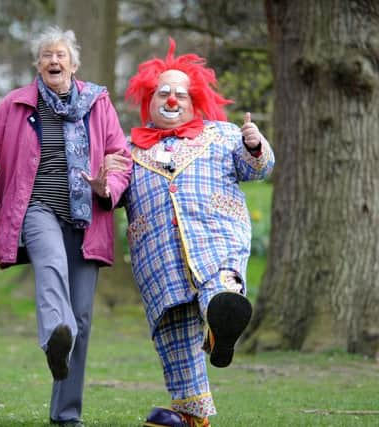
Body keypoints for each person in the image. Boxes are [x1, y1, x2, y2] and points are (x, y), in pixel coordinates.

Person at [117, 38, 275, 427]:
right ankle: (193, 414)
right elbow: (109, 196)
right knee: (174, 334)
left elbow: (257, 169)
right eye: (163, 93)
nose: (172, 100)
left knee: (219, 286)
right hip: (159, 258)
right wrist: (100, 183)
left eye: (181, 95)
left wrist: (255, 145)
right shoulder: (126, 149)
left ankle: (222, 321)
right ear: (148, 101)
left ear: (195, 101)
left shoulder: (221, 134)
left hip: (215, 237)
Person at [0, 27, 131, 427]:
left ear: (74, 64)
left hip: (88, 218)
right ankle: (54, 335)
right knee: (49, 266)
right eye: (47, 55)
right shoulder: (15, 105)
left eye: (61, 55)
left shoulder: (98, 104)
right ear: (38, 64)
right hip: (36, 207)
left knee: (81, 319)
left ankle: (66, 413)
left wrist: (108, 186)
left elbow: (121, 156)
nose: (54, 60)